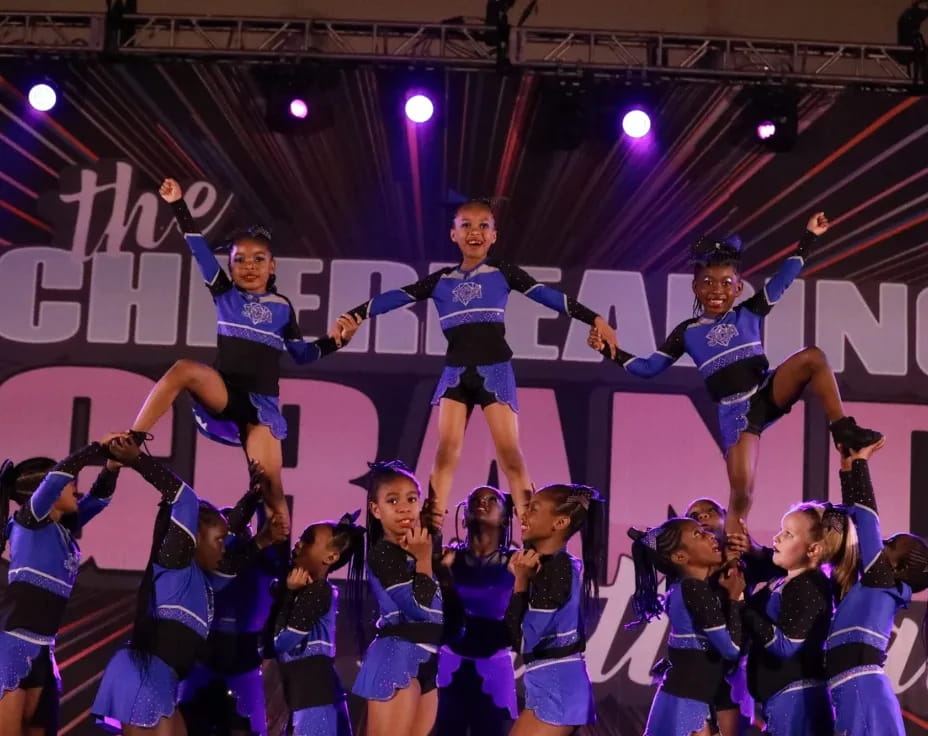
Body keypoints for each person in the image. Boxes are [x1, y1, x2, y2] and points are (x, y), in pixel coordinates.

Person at [330, 199, 618, 531]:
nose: (475, 232)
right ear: (453, 234)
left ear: (494, 236)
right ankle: (432, 530)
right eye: (466, 225)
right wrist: (353, 315)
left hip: (495, 371)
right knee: (445, 453)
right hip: (455, 374)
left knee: (510, 454)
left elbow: (548, 296)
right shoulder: (440, 282)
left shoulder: (502, 273)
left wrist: (594, 318)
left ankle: (530, 528)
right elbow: (397, 296)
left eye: (483, 225)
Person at [589, 213, 880, 534]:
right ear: (695, 287)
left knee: (813, 357)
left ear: (739, 287)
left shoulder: (750, 311)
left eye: (726, 283)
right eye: (708, 283)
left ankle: (843, 431)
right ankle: (733, 549)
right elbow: (646, 369)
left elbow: (784, 278)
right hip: (737, 414)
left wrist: (809, 237)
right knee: (742, 494)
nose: (717, 290)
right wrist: (607, 350)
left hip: (768, 390)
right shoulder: (687, 332)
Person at [132, 177, 361, 528]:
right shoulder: (225, 294)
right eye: (240, 260)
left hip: (262, 409)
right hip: (224, 391)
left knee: (271, 492)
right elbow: (199, 250)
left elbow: (300, 354)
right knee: (184, 368)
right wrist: (179, 204)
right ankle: (134, 438)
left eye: (258, 259)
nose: (249, 266)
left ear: (273, 266)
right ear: (230, 266)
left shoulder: (282, 308)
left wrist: (335, 341)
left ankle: (280, 568)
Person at [91, 445, 285, 734]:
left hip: (158, 678)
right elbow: (184, 499)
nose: (224, 548)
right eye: (219, 541)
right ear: (193, 539)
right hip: (144, 674)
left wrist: (254, 499)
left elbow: (233, 560)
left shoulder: (203, 582)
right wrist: (138, 459)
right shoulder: (174, 566)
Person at [0, 433, 127, 735]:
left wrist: (111, 466)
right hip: (13, 645)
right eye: (71, 484)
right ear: (48, 492)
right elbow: (57, 478)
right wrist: (97, 446)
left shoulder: (61, 530)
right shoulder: (29, 521)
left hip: (44, 651)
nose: (75, 487)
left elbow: (100, 499)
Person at [627, 517, 745, 736]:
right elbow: (731, 650)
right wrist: (735, 599)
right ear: (680, 557)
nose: (710, 535)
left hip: (685, 697)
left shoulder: (684, 588)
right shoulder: (694, 590)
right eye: (697, 534)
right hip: (688, 702)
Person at [504, 484, 606, 736]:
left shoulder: (556, 571)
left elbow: (523, 641)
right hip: (549, 683)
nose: (524, 516)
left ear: (560, 522)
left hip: (558, 687)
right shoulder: (551, 565)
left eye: (534, 509)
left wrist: (520, 583)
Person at [352, 461, 443, 736]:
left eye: (411, 499)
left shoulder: (416, 550)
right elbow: (417, 608)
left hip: (428, 660)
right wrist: (425, 558)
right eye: (393, 500)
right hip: (397, 657)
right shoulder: (384, 553)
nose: (404, 507)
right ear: (375, 509)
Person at [269, 511, 365, 736]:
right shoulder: (309, 592)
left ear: (330, 558)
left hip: (314, 698)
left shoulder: (318, 591)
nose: (299, 543)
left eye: (308, 540)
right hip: (312, 697)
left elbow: (279, 643)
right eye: (301, 537)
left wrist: (287, 597)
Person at [436, 486, 518, 735]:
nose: (483, 503)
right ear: (464, 516)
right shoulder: (446, 559)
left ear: (505, 518)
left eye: (493, 499)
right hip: (448, 666)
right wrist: (442, 573)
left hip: (494, 669)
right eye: (476, 500)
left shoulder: (517, 563)